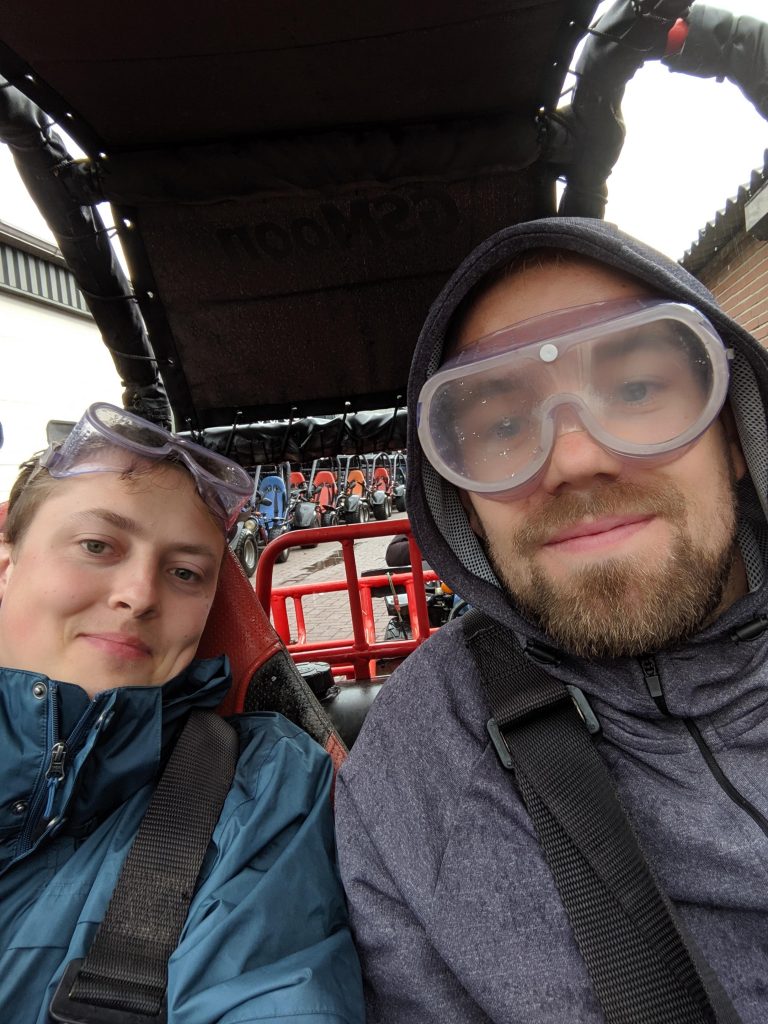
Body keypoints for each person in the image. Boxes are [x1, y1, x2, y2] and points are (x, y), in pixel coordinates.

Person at [334, 217, 768, 1024]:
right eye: (504, 427)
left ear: (734, 433)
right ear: (463, 499)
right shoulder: (413, 776)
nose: (574, 458)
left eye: (636, 391)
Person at [0, 402, 364, 1024]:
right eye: (97, 545)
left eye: (186, 573)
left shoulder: (254, 788)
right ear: (7, 567)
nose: (139, 595)